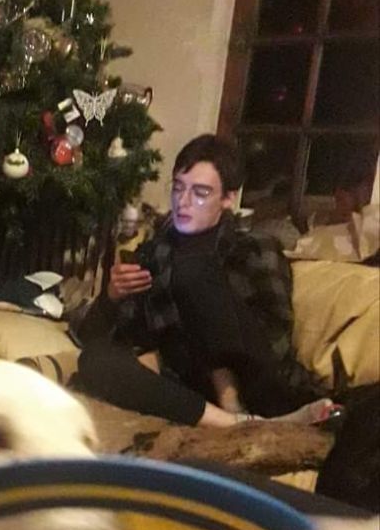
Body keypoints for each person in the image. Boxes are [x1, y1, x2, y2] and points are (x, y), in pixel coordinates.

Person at [72, 134, 339, 428]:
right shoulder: (156, 252)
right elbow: (93, 337)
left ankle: (234, 404)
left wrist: (183, 349)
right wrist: (111, 296)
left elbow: (275, 342)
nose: (183, 202)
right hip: (190, 389)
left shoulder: (253, 247)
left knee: (192, 272)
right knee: (93, 361)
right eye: (178, 188)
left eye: (200, 193)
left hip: (257, 381)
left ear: (228, 198)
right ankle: (234, 424)